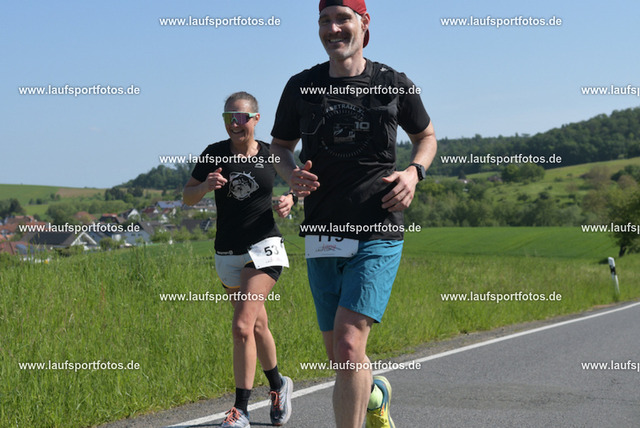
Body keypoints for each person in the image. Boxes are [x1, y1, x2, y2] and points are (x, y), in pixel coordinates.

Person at [270, 1, 437, 427]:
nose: (333, 28)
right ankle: (376, 394)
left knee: (347, 346)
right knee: (341, 356)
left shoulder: (392, 83)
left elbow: (426, 136)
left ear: (364, 23)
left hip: (378, 227)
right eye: (325, 20)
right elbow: (280, 148)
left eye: (342, 18)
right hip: (323, 231)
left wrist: (414, 173)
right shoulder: (301, 86)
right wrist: (291, 174)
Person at [184, 91, 296, 428]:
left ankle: (241, 410)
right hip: (227, 252)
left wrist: (291, 198)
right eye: (229, 117)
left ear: (256, 119)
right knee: (257, 325)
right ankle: (278, 385)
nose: (235, 123)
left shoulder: (271, 154)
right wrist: (205, 186)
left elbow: (299, 182)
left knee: (242, 326)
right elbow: (187, 197)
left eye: (241, 117)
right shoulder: (213, 153)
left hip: (264, 247)